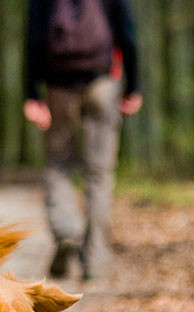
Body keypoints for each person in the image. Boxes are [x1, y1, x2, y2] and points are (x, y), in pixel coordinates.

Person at [24, 0, 142, 281]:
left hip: (58, 85)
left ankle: (66, 231)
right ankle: (94, 260)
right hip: (103, 83)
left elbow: (34, 38)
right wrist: (134, 85)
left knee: (58, 165)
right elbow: (127, 33)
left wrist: (32, 93)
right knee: (99, 174)